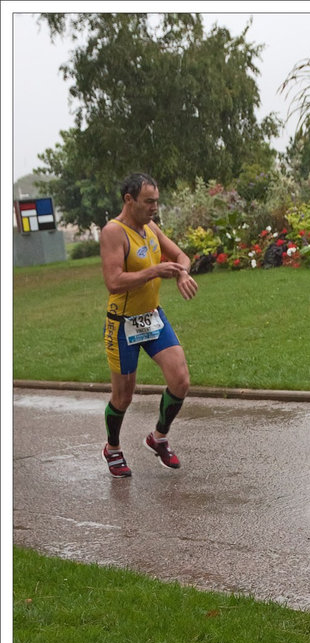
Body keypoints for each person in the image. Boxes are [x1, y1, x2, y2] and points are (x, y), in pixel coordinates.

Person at [101, 172, 198, 477]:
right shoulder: (113, 232)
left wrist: (182, 273)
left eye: (156, 201)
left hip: (151, 317)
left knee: (180, 380)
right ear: (128, 200)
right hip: (123, 324)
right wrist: (154, 271)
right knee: (123, 396)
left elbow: (181, 256)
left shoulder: (150, 227)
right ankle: (113, 448)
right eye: (148, 202)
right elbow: (114, 282)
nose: (154, 207)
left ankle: (158, 437)